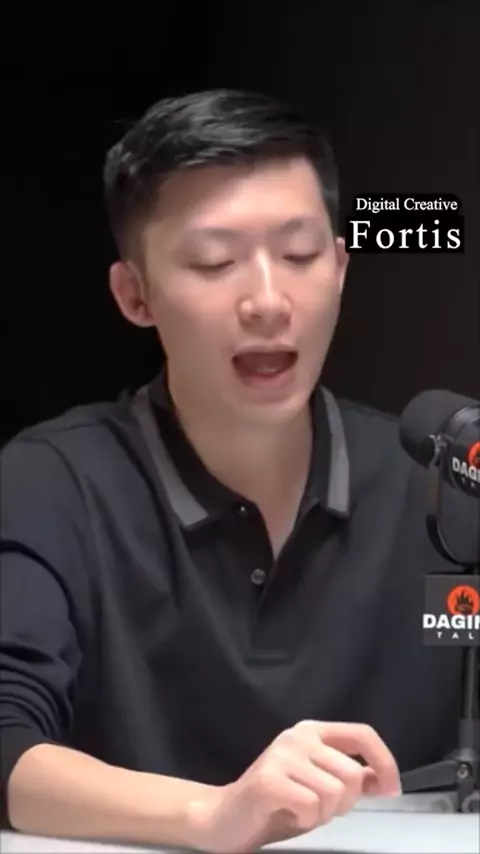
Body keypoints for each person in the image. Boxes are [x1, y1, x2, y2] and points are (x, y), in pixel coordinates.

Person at [0, 89, 464, 851]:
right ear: (135, 295)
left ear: (341, 267)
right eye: (215, 262)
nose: (268, 301)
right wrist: (214, 814)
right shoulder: (52, 483)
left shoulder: (440, 486)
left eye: (300, 255)